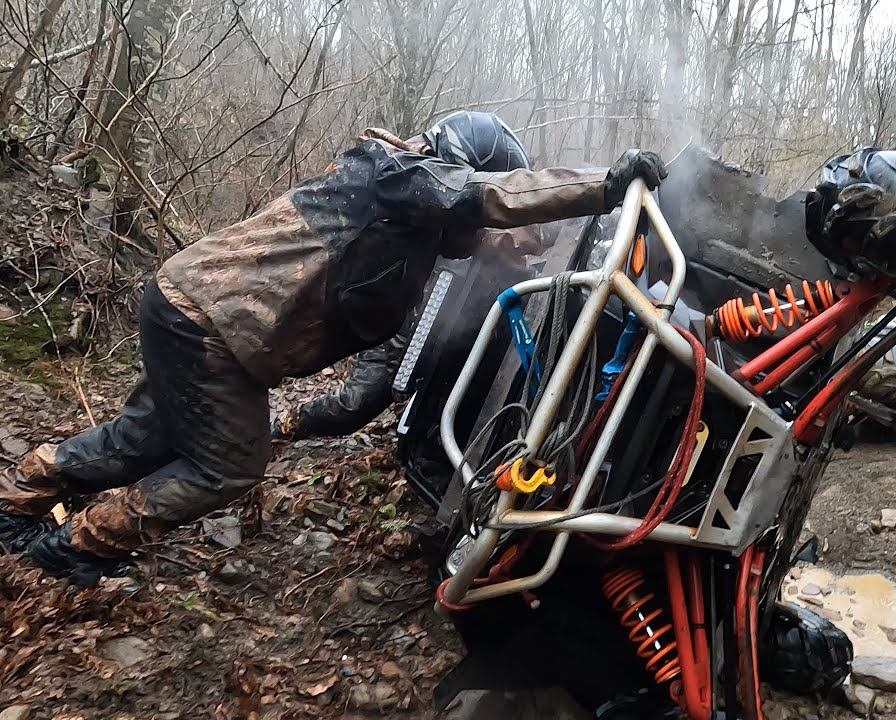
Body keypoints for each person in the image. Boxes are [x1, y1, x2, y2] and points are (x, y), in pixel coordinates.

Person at [0, 110, 666, 585]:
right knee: (229, 465)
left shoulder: (402, 218)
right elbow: (484, 199)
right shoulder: (401, 172)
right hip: (213, 326)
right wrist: (603, 185)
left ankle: (19, 497)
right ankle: (76, 546)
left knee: (144, 440)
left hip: (193, 309)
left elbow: (468, 247)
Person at [272, 114, 544, 443]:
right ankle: (285, 426)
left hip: (390, 304)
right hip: (332, 301)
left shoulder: (417, 184)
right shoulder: (395, 178)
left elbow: (479, 239)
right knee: (356, 402)